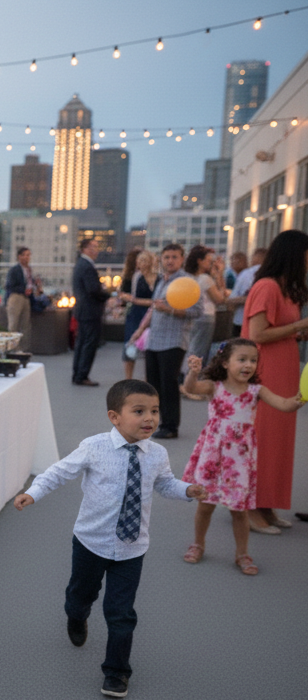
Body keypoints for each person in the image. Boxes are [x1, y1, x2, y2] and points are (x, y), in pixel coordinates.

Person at [14, 379, 206, 699]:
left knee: (121, 612)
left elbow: (165, 484)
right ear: (114, 417)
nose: (150, 418)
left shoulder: (156, 454)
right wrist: (33, 492)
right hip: (90, 541)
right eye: (139, 411)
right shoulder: (94, 447)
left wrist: (187, 490)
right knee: (82, 593)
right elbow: (59, 472)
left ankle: (116, 672)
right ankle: (76, 614)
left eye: (155, 411)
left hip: (132, 547)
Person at [180, 340, 304, 574]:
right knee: (205, 505)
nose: (248, 365)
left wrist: (302, 396)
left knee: (240, 510)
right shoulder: (214, 387)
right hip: (212, 456)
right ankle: (198, 544)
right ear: (226, 363)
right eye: (242, 359)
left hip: (239, 461)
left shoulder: (256, 391)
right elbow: (191, 388)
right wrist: (192, 373)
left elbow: (285, 404)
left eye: (253, 360)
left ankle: (242, 554)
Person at [240, 230, 308, 534]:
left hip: (284, 370)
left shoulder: (285, 288)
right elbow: (257, 335)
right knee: (262, 440)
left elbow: (280, 329)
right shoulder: (266, 286)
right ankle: (250, 508)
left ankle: (266, 505)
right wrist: (299, 325)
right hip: (265, 371)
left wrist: (296, 331)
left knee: (278, 442)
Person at [128, 243, 202, 439]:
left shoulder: (188, 282)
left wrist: (169, 310)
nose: (170, 261)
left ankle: (170, 426)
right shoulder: (162, 281)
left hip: (174, 340)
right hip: (154, 339)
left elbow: (197, 311)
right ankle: (157, 422)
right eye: (166, 257)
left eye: (174, 257)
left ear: (182, 259)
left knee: (168, 384)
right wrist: (140, 330)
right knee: (153, 385)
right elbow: (154, 308)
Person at [181, 246, 229, 389]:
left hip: (190, 317)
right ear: (200, 261)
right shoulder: (205, 279)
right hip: (206, 317)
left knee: (191, 348)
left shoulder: (187, 277)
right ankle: (191, 385)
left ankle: (186, 381)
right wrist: (219, 274)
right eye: (209, 261)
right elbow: (221, 298)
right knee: (199, 351)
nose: (211, 263)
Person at [71, 239, 111, 387]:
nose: (97, 250)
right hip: (90, 310)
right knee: (89, 344)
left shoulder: (80, 264)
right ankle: (82, 375)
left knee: (81, 343)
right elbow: (93, 289)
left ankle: (78, 373)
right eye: (94, 247)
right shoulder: (87, 266)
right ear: (85, 249)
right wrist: (108, 295)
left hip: (83, 309)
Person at [119, 250, 157, 380]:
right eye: (139, 261)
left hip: (153, 313)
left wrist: (136, 300)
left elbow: (155, 300)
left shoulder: (158, 277)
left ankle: (149, 378)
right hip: (136, 313)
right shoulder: (137, 277)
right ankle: (128, 378)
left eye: (144, 260)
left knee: (150, 346)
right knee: (130, 343)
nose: (141, 263)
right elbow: (133, 296)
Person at [4, 246, 36, 351]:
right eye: (25, 255)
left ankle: (24, 349)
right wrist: (23, 289)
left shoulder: (29, 270)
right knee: (14, 324)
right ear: (19, 256)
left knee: (25, 325)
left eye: (28, 255)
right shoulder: (14, 270)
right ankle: (13, 348)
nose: (27, 258)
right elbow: (10, 285)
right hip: (16, 297)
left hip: (26, 298)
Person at [228, 248, 265, 337]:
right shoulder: (274, 274)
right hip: (263, 325)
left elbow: (232, 299)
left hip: (241, 321)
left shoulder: (246, 274)